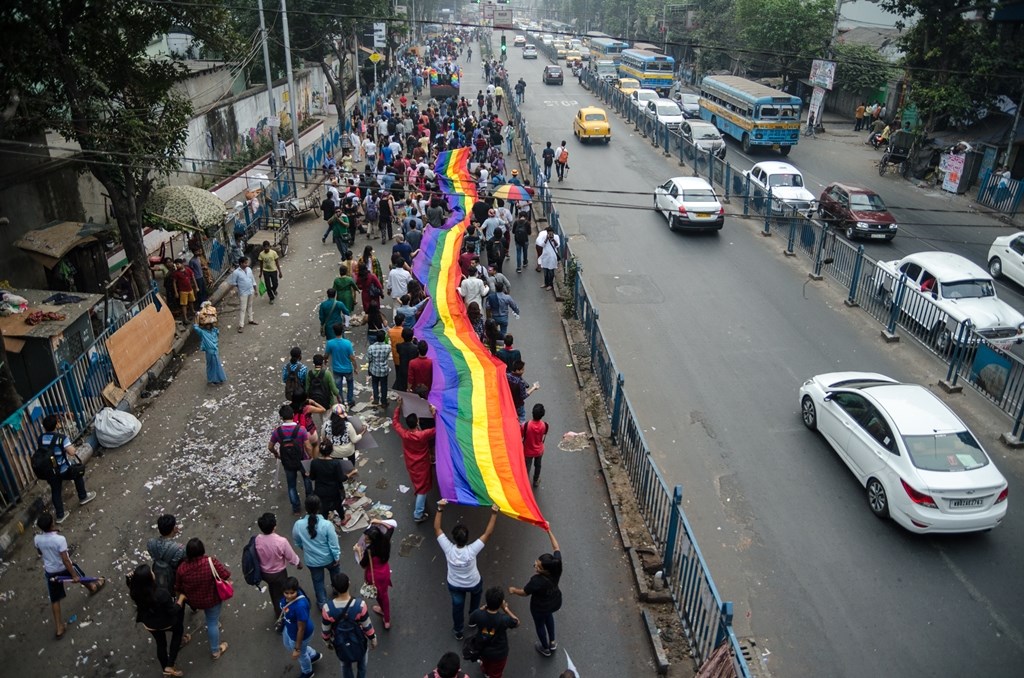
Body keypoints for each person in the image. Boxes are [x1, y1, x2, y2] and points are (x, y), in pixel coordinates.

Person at [434, 499, 499, 640]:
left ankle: (458, 630)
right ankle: (472, 620)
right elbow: (487, 534)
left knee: (457, 608)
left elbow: (437, 529)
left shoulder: (448, 549)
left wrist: (440, 509)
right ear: (467, 538)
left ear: (453, 538)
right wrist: (494, 514)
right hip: (473, 583)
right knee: (475, 603)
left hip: (455, 584)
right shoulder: (471, 551)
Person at [34, 511, 105, 639]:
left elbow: (40, 552)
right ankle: (93, 587)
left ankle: (59, 627)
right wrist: (73, 575)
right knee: (80, 576)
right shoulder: (59, 540)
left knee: (55, 598)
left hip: (50, 571)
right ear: (52, 524)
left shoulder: (37, 539)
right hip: (63, 567)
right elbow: (66, 560)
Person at [128, 562, 188, 677]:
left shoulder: (135, 592)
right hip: (166, 622)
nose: (153, 572)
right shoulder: (161, 593)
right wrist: (180, 600)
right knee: (178, 631)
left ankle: (165, 669)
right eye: (151, 572)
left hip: (149, 623)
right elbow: (172, 611)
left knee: (161, 643)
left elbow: (131, 584)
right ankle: (170, 665)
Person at [174, 538, 231, 659]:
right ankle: (215, 651)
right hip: (213, 598)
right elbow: (225, 575)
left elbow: (178, 587)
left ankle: (214, 622)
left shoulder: (182, 569)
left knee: (211, 619)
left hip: (195, 600)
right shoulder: (211, 562)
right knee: (212, 623)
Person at [509, 530, 562, 657]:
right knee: (549, 618)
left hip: (539, 607)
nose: (535, 566)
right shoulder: (557, 567)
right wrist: (549, 530)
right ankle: (552, 642)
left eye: (538, 566)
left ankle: (545, 648)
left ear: (544, 570)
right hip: (554, 601)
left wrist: (514, 590)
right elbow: (556, 547)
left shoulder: (536, 581)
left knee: (540, 625)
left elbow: (524, 592)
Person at [38, 414, 96, 525]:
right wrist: (71, 447)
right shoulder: (61, 438)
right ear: (56, 425)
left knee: (55, 491)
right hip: (63, 469)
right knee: (78, 474)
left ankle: (60, 515)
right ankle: (83, 497)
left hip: (51, 471)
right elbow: (72, 452)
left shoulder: (41, 439)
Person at [321, 571, 377, 678]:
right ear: (349, 583)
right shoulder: (360, 605)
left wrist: (327, 642)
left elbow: (325, 631)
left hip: (341, 643)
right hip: (359, 641)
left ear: (334, 588)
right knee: (362, 665)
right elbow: (367, 626)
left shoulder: (327, 609)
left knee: (345, 665)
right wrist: (373, 638)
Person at [293, 495, 342, 611]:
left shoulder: (298, 525)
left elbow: (297, 542)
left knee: (318, 582)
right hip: (329, 558)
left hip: (312, 561)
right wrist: (336, 556)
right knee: (335, 574)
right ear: (319, 507)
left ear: (306, 508)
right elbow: (333, 544)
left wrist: (305, 549)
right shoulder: (327, 525)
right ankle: (337, 590)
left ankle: (322, 603)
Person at [393, 398, 437, 522]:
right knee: (423, 488)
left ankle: (419, 496)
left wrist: (398, 407)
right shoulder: (422, 435)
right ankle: (418, 514)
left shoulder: (404, 434)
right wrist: (433, 413)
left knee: (417, 483)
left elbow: (395, 423)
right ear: (417, 422)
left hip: (410, 463)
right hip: (422, 463)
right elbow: (437, 428)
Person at [255, 511, 302, 620]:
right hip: (279, 574)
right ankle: (284, 614)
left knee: (274, 592)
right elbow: (291, 556)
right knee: (283, 594)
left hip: (265, 573)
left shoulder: (257, 540)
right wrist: (298, 563)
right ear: (274, 526)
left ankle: (278, 611)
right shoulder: (281, 542)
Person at [269, 404, 313, 515]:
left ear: (281, 417)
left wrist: (276, 454)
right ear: (293, 415)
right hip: (302, 459)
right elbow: (308, 446)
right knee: (307, 480)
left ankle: (296, 509)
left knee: (291, 485)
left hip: (287, 461)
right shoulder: (301, 430)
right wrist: (311, 458)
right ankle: (310, 504)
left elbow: (270, 446)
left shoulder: (277, 432)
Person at [354, 518, 397, 630]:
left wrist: (358, 551)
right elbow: (391, 528)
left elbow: (363, 564)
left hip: (373, 576)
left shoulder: (370, 551)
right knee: (385, 594)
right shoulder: (385, 541)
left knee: (378, 594)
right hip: (385, 572)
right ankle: (386, 619)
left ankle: (383, 611)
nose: (366, 541)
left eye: (367, 539)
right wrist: (379, 522)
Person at [468, 587, 521, 677]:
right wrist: (506, 609)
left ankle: (485, 671)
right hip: (499, 653)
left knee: (485, 663)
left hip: (482, 648)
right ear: (500, 603)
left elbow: (471, 620)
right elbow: (517, 622)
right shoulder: (504, 619)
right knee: (496, 672)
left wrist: (485, 606)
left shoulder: (478, 614)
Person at [280, 576, 322, 678]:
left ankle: (308, 672)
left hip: (300, 635)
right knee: (288, 645)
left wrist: (297, 649)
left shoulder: (300, 607)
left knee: (301, 655)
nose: (289, 596)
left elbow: (301, 629)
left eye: (292, 593)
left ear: (297, 590)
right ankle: (313, 655)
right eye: (286, 593)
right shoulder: (286, 600)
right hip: (289, 628)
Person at [310, 434, 356, 518]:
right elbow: (341, 478)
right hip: (333, 490)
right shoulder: (335, 463)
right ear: (331, 451)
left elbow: (312, 477)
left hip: (319, 490)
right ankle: (343, 519)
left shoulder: (314, 462)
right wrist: (351, 473)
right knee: (338, 506)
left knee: (323, 508)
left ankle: (324, 522)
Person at [147, 514, 185, 594]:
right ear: (174, 528)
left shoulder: (150, 543)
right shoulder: (179, 549)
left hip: (157, 572)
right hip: (172, 577)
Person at [326, 322, 358, 409]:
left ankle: (341, 402)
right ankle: (350, 400)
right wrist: (355, 367)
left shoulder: (330, 343)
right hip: (347, 368)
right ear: (342, 331)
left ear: (334, 332)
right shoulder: (347, 343)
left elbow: (326, 355)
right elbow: (352, 357)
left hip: (336, 369)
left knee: (338, 387)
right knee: (350, 383)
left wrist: (325, 361)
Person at [227, 256, 259, 333]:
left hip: (250, 290)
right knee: (243, 309)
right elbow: (234, 283)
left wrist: (255, 290)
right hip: (243, 292)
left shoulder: (249, 269)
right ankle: (241, 325)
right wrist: (240, 288)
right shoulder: (236, 272)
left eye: (247, 262)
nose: (247, 264)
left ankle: (250, 320)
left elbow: (253, 280)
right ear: (241, 263)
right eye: (245, 263)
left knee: (250, 306)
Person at [522, 403, 549, 487]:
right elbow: (544, 434)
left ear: (532, 413)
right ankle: (535, 481)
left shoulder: (526, 425)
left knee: (527, 467)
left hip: (527, 451)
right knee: (538, 466)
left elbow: (521, 435)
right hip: (539, 451)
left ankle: (525, 484)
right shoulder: (545, 425)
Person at [507, 360, 540, 424]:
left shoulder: (506, 376)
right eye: (522, 370)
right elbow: (523, 396)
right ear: (517, 370)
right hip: (518, 404)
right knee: (522, 418)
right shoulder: (520, 382)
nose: (523, 371)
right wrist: (533, 388)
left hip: (509, 402)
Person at [366, 330, 392, 408]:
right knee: (384, 385)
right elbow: (387, 357)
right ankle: (384, 401)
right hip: (384, 369)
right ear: (384, 338)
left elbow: (369, 358)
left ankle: (376, 399)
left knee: (375, 384)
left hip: (374, 369)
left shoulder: (371, 347)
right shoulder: (388, 347)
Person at [170, 258, 198, 322]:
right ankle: (185, 318)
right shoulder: (176, 273)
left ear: (182, 264)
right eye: (176, 265)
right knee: (184, 304)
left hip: (190, 289)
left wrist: (196, 286)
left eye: (178, 264)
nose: (177, 266)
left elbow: (193, 278)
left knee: (191, 301)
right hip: (183, 291)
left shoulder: (188, 270)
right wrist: (176, 292)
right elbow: (174, 282)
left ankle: (193, 311)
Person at [394, 327, 418, 392]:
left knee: (402, 389)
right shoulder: (415, 348)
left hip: (402, 370)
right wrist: (415, 341)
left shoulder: (399, 346)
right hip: (412, 371)